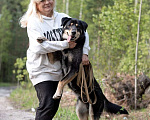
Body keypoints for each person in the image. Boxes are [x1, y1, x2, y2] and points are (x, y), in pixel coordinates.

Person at [20, 0, 90, 119]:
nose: (47, 2)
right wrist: (65, 44)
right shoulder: (34, 21)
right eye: (42, 0)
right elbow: (38, 47)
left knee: (53, 106)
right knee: (47, 104)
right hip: (41, 69)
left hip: (59, 70)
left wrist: (85, 52)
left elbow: (84, 32)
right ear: (36, 3)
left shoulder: (63, 17)